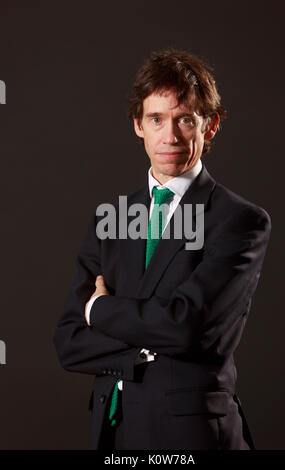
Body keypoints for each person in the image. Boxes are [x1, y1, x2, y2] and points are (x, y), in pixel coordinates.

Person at [53, 48, 272, 450]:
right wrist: (148, 343)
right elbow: (68, 340)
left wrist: (100, 311)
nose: (170, 136)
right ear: (138, 125)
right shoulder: (111, 220)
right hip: (113, 432)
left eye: (185, 119)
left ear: (211, 125)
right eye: (156, 119)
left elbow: (186, 326)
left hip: (192, 436)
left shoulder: (239, 220)